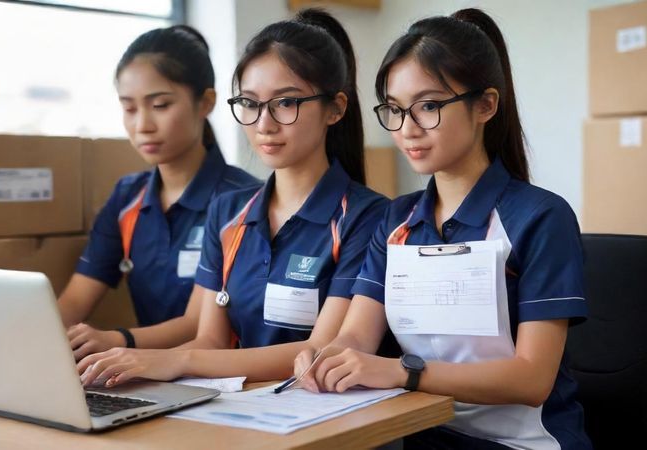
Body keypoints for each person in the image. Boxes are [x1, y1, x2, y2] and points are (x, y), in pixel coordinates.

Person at [295, 9, 592, 449]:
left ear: (485, 105)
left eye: (429, 106)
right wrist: (327, 357)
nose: (407, 129)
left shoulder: (540, 217)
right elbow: (357, 334)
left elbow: (532, 379)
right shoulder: (395, 220)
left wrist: (402, 371)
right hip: (422, 435)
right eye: (394, 110)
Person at [77, 8, 388, 386]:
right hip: (238, 409)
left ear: (335, 108)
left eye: (286, 103)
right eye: (251, 104)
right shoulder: (228, 211)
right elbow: (211, 338)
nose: (264, 124)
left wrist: (178, 360)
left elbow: (321, 348)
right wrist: (132, 361)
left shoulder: (368, 216)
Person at [58, 25, 259, 359]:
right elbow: (75, 301)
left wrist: (119, 340)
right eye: (129, 108)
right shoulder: (126, 198)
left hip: (224, 379)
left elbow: (201, 326)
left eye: (161, 105)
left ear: (206, 102)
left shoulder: (244, 200)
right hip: (141, 375)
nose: (142, 125)